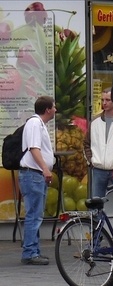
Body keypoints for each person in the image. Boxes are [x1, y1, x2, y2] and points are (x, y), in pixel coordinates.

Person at [19, 95, 57, 265]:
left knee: (36, 214)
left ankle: (33, 250)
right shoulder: (34, 123)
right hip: (33, 174)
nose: (55, 110)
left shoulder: (38, 124)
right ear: (48, 109)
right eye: (54, 107)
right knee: (34, 215)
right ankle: (30, 252)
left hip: (35, 175)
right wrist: (45, 169)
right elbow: (34, 148)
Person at [84, 89, 113, 198]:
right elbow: (86, 143)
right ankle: (98, 216)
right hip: (98, 169)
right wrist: (91, 161)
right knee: (96, 202)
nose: (104, 103)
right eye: (102, 100)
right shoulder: (95, 120)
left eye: (108, 100)